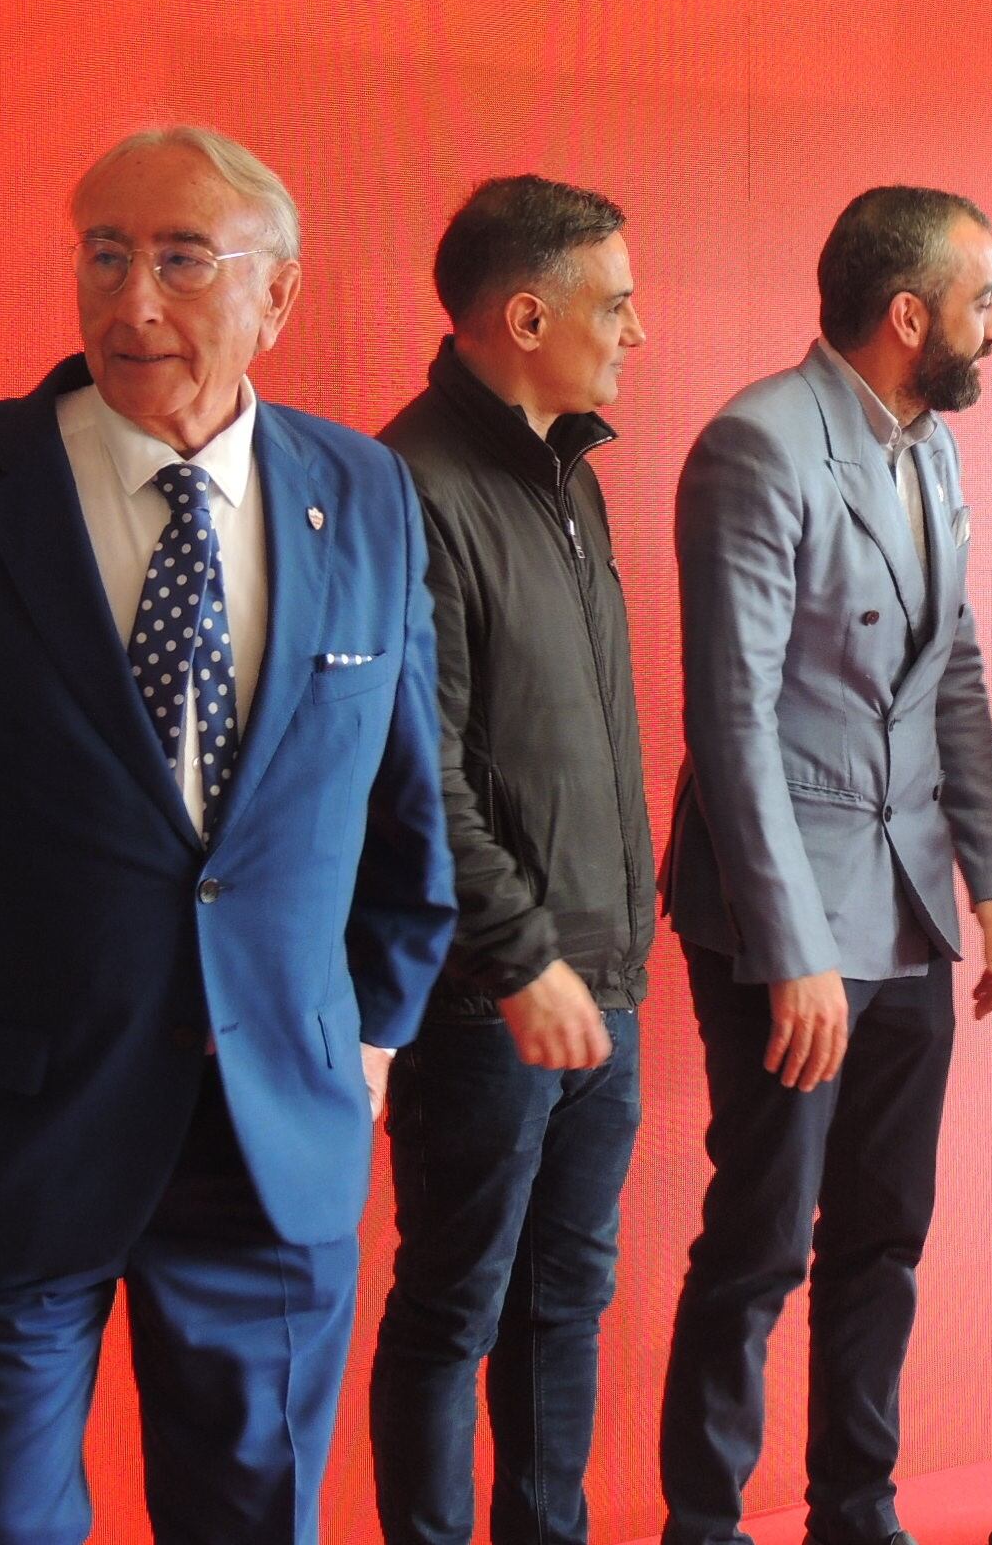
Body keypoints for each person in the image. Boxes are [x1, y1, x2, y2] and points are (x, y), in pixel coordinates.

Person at [0, 124, 454, 1544]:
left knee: (252, 1517)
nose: (133, 305)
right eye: (104, 256)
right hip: (10, 1131)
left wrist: (368, 1036)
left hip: (271, 1144)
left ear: (277, 298)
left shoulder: (364, 496)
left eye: (183, 262)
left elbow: (408, 800)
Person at [657, 184, 992, 1545]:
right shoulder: (759, 446)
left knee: (884, 1233)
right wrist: (792, 943)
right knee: (760, 1240)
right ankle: (705, 1523)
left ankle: (854, 1512)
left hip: (913, 904)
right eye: (985, 301)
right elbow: (729, 718)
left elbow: (957, 667)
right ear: (910, 313)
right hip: (787, 915)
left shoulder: (931, 446)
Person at [368, 175, 654, 1545]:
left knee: (563, 1305)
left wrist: (602, 953)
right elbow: (417, 769)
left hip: (604, 979)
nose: (635, 333)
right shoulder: (410, 485)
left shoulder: (571, 478)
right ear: (526, 314)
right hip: (492, 1000)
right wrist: (524, 955)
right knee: (454, 1308)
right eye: (617, 303)